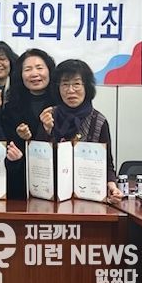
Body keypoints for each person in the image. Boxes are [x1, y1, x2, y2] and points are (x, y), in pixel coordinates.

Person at [36, 59, 123, 201]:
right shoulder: (49, 116)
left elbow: (107, 164)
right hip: (51, 195)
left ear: (87, 87)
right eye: (65, 84)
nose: (70, 90)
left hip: (87, 196)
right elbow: (38, 161)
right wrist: (47, 131)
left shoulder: (99, 121)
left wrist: (112, 186)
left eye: (76, 84)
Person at [0, 48, 56, 199]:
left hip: (55, 181)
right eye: (28, 69)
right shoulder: (11, 108)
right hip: (21, 183)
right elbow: (8, 149)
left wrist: (49, 131)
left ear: (49, 71)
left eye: (39, 68)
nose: (34, 74)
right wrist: (20, 139)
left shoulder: (61, 105)